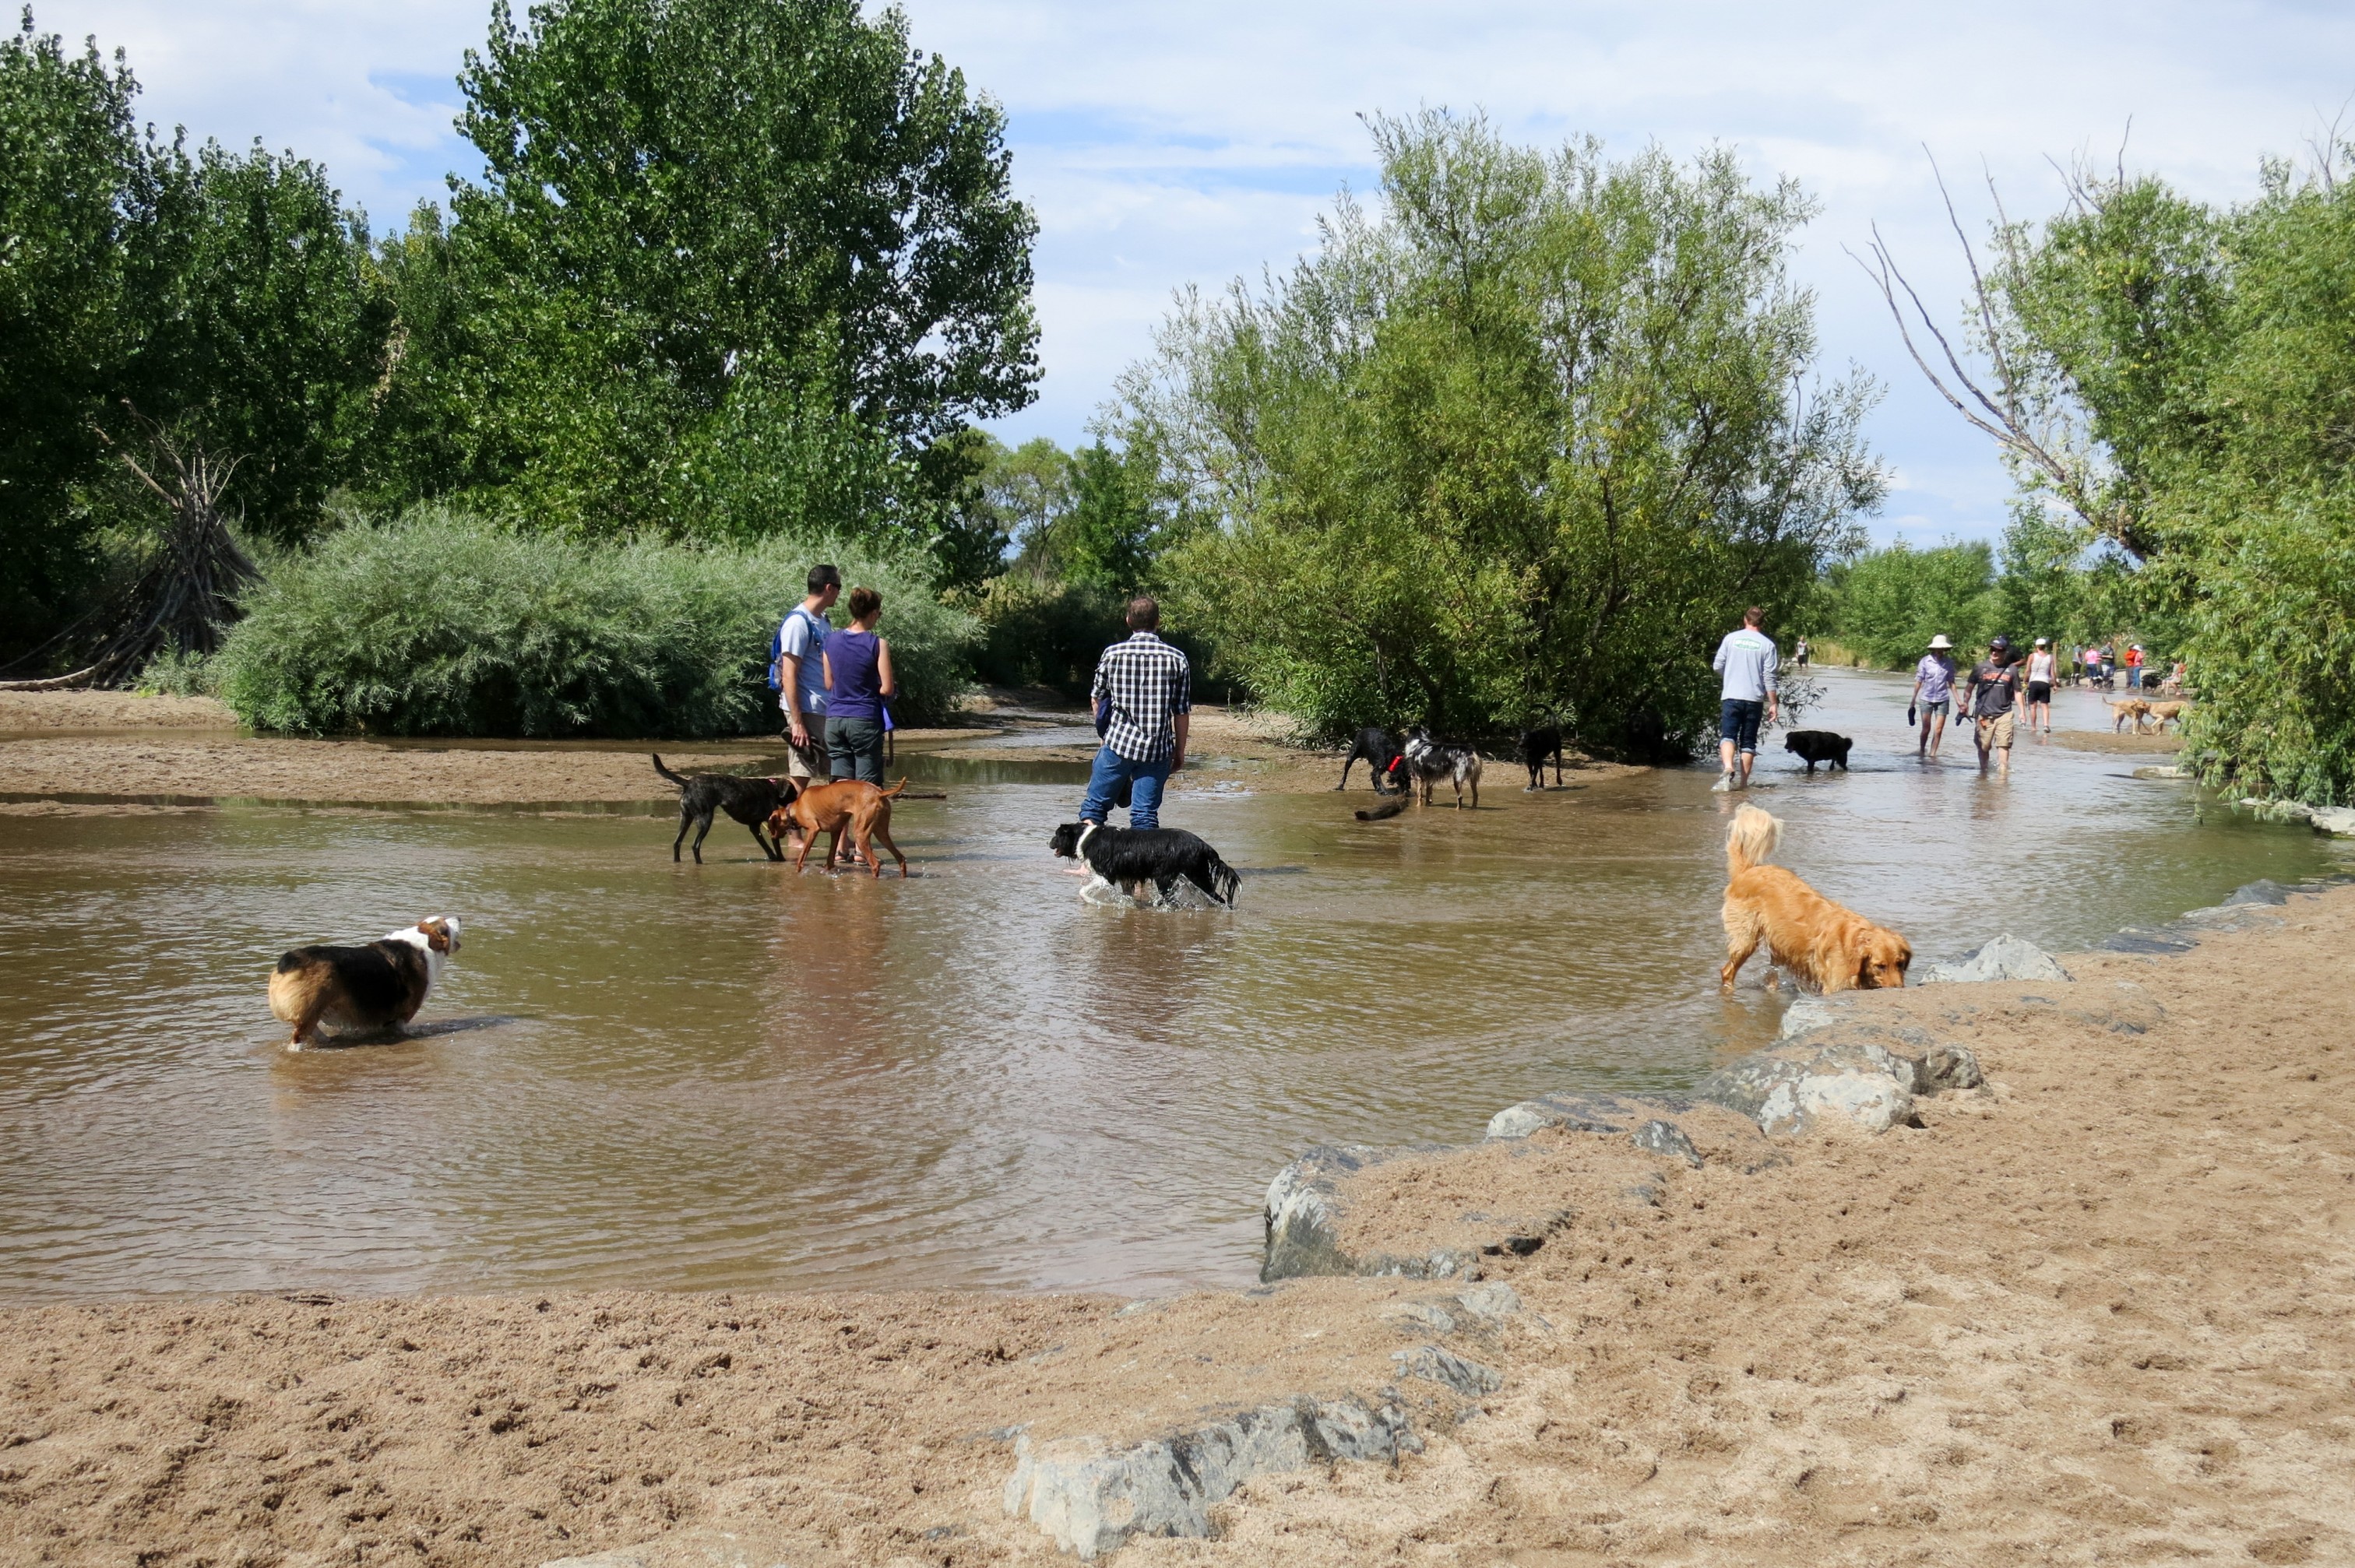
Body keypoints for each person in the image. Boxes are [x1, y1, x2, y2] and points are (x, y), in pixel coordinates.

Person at [1078, 596, 1191, 832]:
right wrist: (1179, 750)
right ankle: (1143, 869)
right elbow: (1181, 711)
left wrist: (1103, 736)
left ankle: (1086, 867)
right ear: (1157, 622)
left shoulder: (1112, 654)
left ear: (1128, 620)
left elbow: (1096, 699)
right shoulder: (1177, 659)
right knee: (1144, 814)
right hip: (1157, 749)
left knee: (1094, 808)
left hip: (1117, 744)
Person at [822, 586, 895, 785]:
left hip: (835, 720)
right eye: (878, 614)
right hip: (863, 719)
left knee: (841, 792)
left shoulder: (830, 641)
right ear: (872, 613)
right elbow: (887, 688)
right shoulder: (878, 644)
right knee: (867, 792)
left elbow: (829, 683)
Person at [776, 564, 841, 788]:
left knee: (837, 773)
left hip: (824, 708)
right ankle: (791, 823)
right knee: (801, 775)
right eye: (839, 588)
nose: (840, 594)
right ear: (829, 588)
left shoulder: (822, 620)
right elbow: (789, 673)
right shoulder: (798, 623)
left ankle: (827, 823)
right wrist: (797, 723)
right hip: (805, 710)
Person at [1710, 606, 1779, 792]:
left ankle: (1728, 767)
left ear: (1745, 620)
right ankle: (1742, 785)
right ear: (1762, 623)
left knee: (1728, 736)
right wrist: (1773, 703)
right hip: (1754, 699)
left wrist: (1730, 676)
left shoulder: (1730, 639)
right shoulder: (1767, 644)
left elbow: (1717, 666)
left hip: (1732, 696)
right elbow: (1769, 676)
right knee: (1748, 743)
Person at [1959, 635, 2022, 778]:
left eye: (1998, 650)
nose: (1994, 653)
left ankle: (2002, 775)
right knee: (1984, 745)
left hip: (2004, 713)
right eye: (1992, 649)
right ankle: (1984, 772)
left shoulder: (2012, 670)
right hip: (1984, 714)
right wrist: (1965, 704)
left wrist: (2022, 712)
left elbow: (2018, 692)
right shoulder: (1980, 668)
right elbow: (1969, 688)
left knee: (2004, 744)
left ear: (2004, 652)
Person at [1911, 634, 1957, 759]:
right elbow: (1919, 681)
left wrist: (1959, 701)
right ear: (1933, 648)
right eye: (1938, 648)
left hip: (1943, 699)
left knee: (1938, 730)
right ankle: (1922, 751)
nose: (1940, 650)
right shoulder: (1925, 661)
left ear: (1945, 649)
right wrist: (1913, 700)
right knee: (1926, 728)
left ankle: (1932, 754)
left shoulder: (1948, 662)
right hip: (1926, 699)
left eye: (1942, 648)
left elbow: (1951, 682)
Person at [2024, 636, 2057, 734]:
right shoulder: (2050, 657)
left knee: (2033, 707)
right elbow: (2052, 672)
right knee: (2045, 706)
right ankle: (2046, 725)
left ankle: (2034, 727)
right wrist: (2055, 685)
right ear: (2044, 646)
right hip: (2045, 683)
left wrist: (2025, 681)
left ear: (2036, 646)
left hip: (2034, 683)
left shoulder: (2032, 656)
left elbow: (2027, 670)